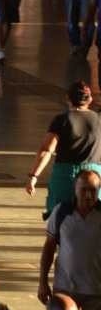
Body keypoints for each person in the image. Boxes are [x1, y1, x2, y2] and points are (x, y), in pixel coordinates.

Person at [27, 83, 101, 219]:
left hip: (65, 176)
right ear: (90, 99)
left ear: (67, 98)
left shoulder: (61, 120)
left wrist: (33, 176)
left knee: (60, 218)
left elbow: (47, 150)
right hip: (94, 176)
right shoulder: (99, 120)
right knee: (94, 217)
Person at [39, 169, 101, 310]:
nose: (88, 195)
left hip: (96, 291)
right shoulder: (61, 212)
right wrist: (43, 281)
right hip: (65, 288)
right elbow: (49, 248)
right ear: (75, 189)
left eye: (93, 190)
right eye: (84, 190)